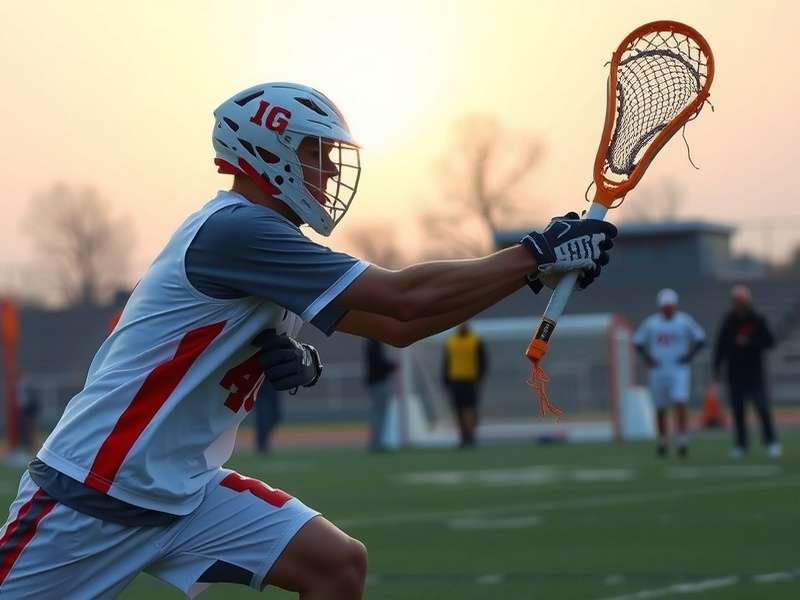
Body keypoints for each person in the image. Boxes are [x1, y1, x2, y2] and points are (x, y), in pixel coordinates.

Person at [0, 82, 617, 598]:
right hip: (92, 492)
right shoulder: (240, 230)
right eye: (316, 154)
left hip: (182, 489)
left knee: (336, 566)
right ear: (269, 153)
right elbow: (406, 300)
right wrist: (532, 255)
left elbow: (400, 330)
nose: (327, 171)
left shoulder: (264, 237)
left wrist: (530, 269)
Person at [634, 288, 705, 458]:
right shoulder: (652, 323)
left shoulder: (684, 321)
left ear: (675, 306)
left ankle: (681, 440)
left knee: (680, 402)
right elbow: (637, 341)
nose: (668, 309)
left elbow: (701, 339)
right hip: (658, 370)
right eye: (665, 306)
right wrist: (648, 358)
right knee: (660, 408)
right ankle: (663, 441)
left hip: (678, 369)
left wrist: (688, 356)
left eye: (670, 306)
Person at [713, 284, 780, 459]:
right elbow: (720, 345)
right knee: (738, 411)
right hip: (734, 372)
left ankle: (771, 442)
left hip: (754, 372)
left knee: (762, 407)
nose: (737, 304)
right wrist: (717, 367)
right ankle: (741, 445)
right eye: (735, 301)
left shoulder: (757, 319)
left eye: (740, 300)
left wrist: (749, 343)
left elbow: (770, 342)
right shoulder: (728, 321)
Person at [442, 322, 488, 448]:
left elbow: (482, 362)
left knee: (469, 409)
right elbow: (446, 363)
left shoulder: (475, 340)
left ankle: (470, 436)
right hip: (455, 380)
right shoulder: (451, 341)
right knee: (459, 410)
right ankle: (464, 436)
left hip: (470, 380)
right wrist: (446, 381)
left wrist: (479, 378)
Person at [364, 339, 396, 452]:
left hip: (375, 382)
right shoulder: (374, 344)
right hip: (379, 383)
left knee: (377, 415)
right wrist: (392, 366)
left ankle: (376, 443)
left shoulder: (370, 344)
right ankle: (377, 444)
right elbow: (378, 364)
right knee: (379, 415)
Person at [254, 382, 283, 454]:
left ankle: (263, 441)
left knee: (276, 416)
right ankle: (262, 445)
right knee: (264, 418)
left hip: (274, 387)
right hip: (261, 389)